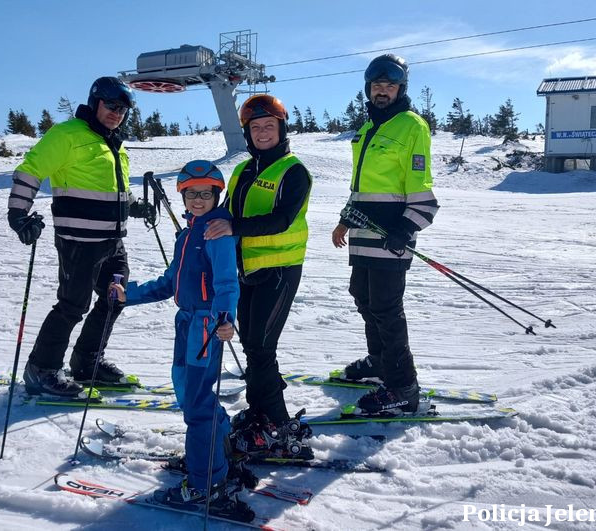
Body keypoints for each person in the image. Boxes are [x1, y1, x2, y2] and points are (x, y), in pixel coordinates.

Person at [114, 161, 252, 520]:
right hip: (186, 322)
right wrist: (128, 295)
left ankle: (207, 484)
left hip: (206, 325)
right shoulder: (186, 234)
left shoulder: (217, 232)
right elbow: (169, 282)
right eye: (191, 193)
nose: (198, 199)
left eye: (205, 193)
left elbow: (227, 282)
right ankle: (219, 455)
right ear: (183, 196)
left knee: (197, 404)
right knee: (187, 391)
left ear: (216, 195)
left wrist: (225, 318)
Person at [6, 76, 155, 397]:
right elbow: (30, 169)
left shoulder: (112, 143)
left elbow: (113, 191)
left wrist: (137, 206)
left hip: (112, 242)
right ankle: (41, 369)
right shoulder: (68, 135)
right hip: (78, 241)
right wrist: (18, 214)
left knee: (115, 298)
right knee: (73, 305)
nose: (117, 113)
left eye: (123, 109)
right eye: (112, 105)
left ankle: (87, 362)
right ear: (95, 103)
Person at [203, 94, 313, 456]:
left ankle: (280, 426)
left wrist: (233, 226)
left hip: (279, 270)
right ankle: (260, 414)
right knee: (251, 344)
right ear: (247, 134)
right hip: (246, 270)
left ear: (281, 130)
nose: (262, 132)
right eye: (255, 127)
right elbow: (227, 213)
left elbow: (281, 220)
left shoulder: (294, 171)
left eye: (269, 126)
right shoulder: (243, 171)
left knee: (262, 348)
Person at [331, 54, 440, 413]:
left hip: (391, 232)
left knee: (386, 308)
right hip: (363, 231)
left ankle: (403, 386)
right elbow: (361, 187)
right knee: (362, 295)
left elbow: (422, 189)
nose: (382, 90)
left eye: (389, 85)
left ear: (400, 88)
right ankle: (379, 362)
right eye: (376, 85)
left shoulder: (412, 126)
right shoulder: (367, 129)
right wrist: (346, 219)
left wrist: (406, 227)